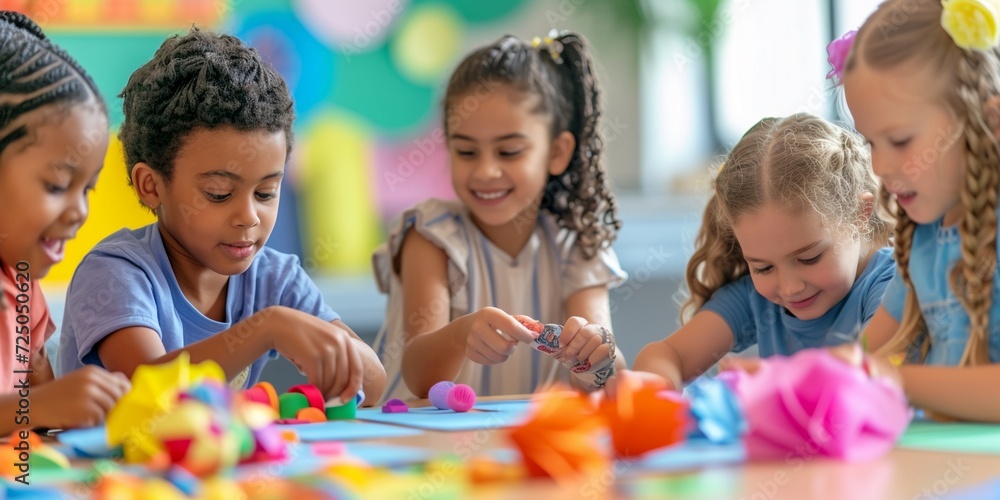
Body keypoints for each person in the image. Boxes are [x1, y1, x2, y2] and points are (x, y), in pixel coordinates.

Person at [57, 28, 385, 406]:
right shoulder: (115, 273)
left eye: (266, 193)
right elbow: (148, 393)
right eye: (219, 194)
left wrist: (336, 361)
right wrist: (264, 330)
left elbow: (374, 381)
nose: (248, 217)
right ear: (151, 185)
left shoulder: (274, 279)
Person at [372, 31, 627, 400]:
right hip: (420, 447)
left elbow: (609, 377)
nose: (486, 171)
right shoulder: (431, 235)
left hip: (519, 449)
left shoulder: (576, 244)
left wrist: (595, 356)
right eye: (466, 152)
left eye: (508, 152)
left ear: (557, 152)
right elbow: (418, 375)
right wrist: (462, 335)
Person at [628, 114, 895, 391]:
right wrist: (653, 389)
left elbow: (873, 373)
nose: (790, 288)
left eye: (809, 258)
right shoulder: (758, 301)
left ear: (859, 214)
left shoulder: (891, 285)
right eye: (763, 268)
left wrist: (775, 379)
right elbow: (667, 354)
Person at [840, 0, 1000, 422]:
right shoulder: (924, 240)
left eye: (900, 140)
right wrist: (788, 381)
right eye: (871, 142)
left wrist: (898, 382)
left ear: (983, 119)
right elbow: (861, 356)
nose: (878, 166)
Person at [0, 11, 130, 432]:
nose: (80, 212)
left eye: (87, 188)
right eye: (57, 185)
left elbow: (41, 397)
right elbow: (34, 406)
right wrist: (37, 407)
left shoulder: (22, 287)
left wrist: (87, 410)